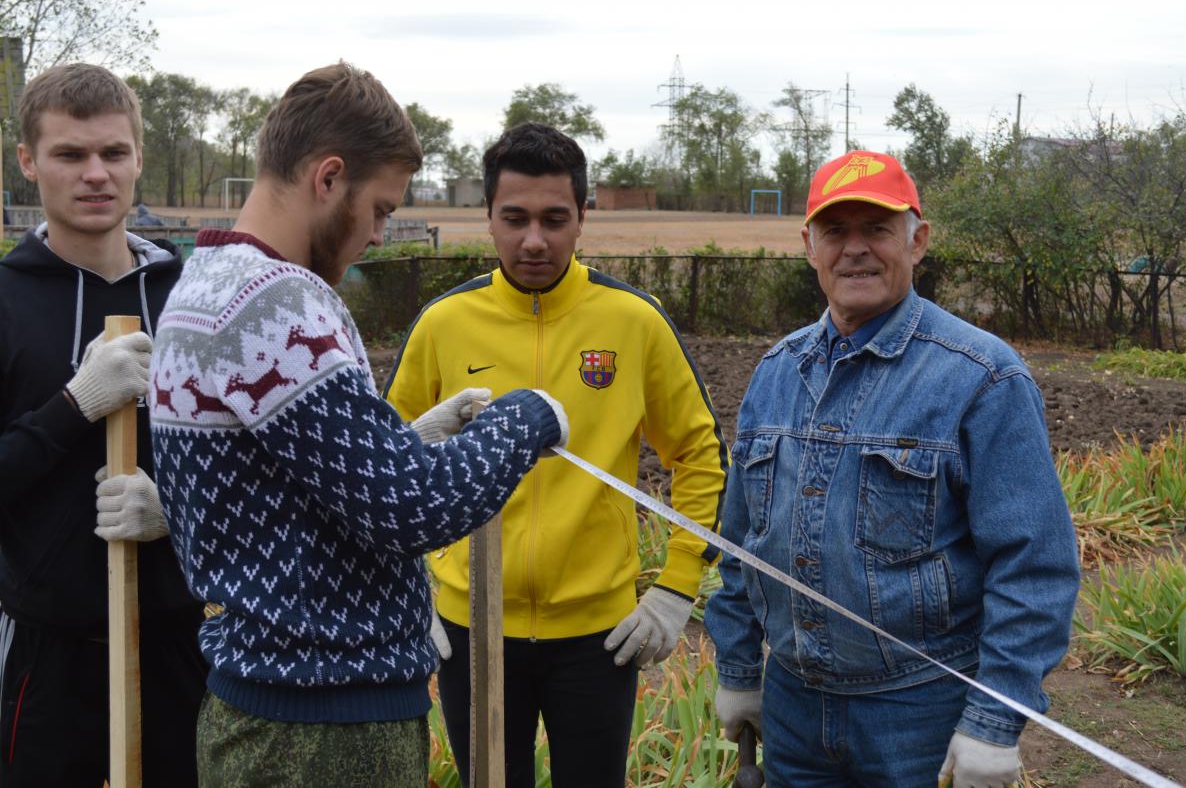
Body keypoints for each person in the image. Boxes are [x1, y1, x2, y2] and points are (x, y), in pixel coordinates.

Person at [148, 63, 568, 788]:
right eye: (378, 209)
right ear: (328, 177)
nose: (378, 234)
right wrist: (533, 417)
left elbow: (291, 483)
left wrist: (407, 443)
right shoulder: (273, 304)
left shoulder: (205, 281)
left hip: (264, 703)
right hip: (322, 726)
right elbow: (411, 506)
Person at [704, 150, 1081, 787]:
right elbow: (742, 546)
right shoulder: (776, 371)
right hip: (793, 705)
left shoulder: (981, 377)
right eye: (835, 231)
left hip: (920, 711)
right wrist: (740, 671)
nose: (855, 249)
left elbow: (1033, 565)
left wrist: (993, 722)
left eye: (876, 229)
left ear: (917, 240)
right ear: (808, 246)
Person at [384, 122, 728, 787]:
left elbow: (700, 454)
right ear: (488, 218)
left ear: (581, 220)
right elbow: (385, 466)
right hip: (471, 628)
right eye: (514, 218)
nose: (533, 239)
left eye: (554, 219)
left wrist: (677, 588)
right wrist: (406, 591)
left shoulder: (634, 321)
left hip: (597, 638)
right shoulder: (444, 324)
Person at [0, 63, 207, 786]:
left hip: (186, 649)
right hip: (53, 659)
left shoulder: (192, 300)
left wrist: (176, 514)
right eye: (70, 154)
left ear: (139, 158)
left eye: (113, 153)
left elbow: (252, 469)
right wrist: (74, 406)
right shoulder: (7, 299)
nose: (96, 174)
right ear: (28, 163)